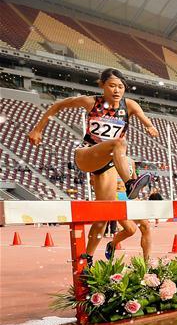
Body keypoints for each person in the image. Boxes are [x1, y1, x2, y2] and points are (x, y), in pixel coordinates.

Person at [28, 68, 156, 262]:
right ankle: (130, 184)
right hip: (87, 154)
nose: (116, 90)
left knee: (104, 215)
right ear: (102, 85)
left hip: (109, 163)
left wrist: (150, 126)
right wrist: (38, 129)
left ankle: (87, 258)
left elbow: (144, 119)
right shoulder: (90, 102)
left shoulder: (129, 105)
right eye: (112, 86)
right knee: (119, 143)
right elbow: (58, 105)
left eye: (121, 87)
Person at [105, 157, 152, 262]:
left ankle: (146, 263)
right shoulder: (106, 158)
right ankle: (112, 244)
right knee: (130, 230)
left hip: (130, 196)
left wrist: (138, 195)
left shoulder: (130, 161)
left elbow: (135, 182)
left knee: (146, 226)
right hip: (115, 196)